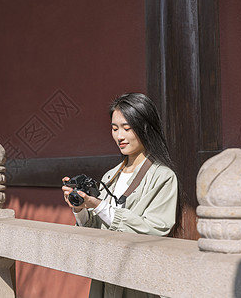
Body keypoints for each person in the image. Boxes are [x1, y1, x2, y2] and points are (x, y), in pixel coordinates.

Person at [62, 93, 179, 298]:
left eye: (127, 128)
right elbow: (96, 228)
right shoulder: (110, 175)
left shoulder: (163, 177)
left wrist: (99, 206)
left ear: (144, 127)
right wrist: (80, 208)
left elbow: (156, 228)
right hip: (106, 275)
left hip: (139, 279)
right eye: (114, 129)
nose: (119, 136)